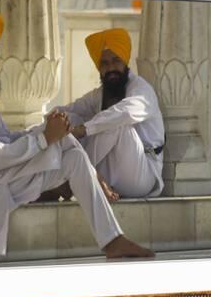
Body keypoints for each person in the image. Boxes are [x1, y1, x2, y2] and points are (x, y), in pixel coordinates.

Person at [0, 9, 154, 259]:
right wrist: (44, 137)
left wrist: (47, 131)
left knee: (71, 152)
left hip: (1, 173)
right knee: (66, 145)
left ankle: (112, 239)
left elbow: (4, 137)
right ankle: (92, 207)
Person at [52, 28, 165, 202]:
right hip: (109, 169)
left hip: (141, 175)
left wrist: (83, 129)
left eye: (115, 61)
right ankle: (80, 176)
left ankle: (71, 179)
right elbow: (69, 109)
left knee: (115, 123)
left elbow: (124, 112)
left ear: (125, 61)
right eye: (104, 63)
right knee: (67, 118)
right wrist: (52, 122)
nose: (111, 68)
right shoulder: (99, 94)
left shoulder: (141, 90)